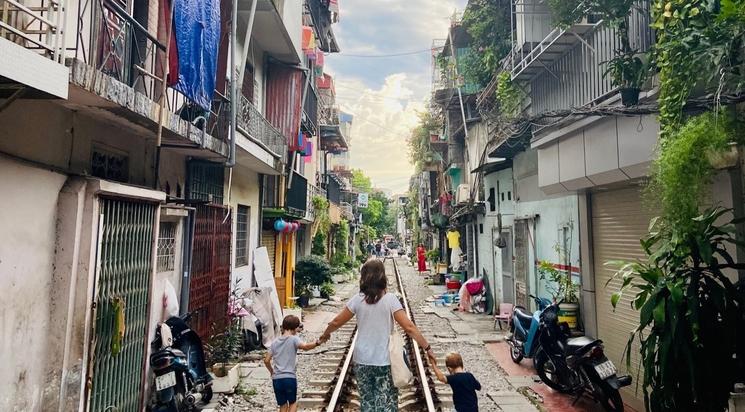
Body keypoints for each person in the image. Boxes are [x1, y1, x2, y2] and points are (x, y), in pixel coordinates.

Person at [319, 260, 435, 412]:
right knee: (386, 402)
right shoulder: (390, 300)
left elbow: (335, 322)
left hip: (362, 361)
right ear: (382, 277)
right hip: (384, 361)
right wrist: (427, 347)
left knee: (367, 402)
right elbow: (409, 327)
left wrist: (324, 335)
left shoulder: (357, 299)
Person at [264, 315, 322, 412]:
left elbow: (266, 360)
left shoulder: (274, 342)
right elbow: (306, 347)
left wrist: (272, 371)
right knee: (293, 403)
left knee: (282, 405)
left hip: (277, 379)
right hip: (289, 378)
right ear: (294, 328)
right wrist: (317, 343)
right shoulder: (294, 339)